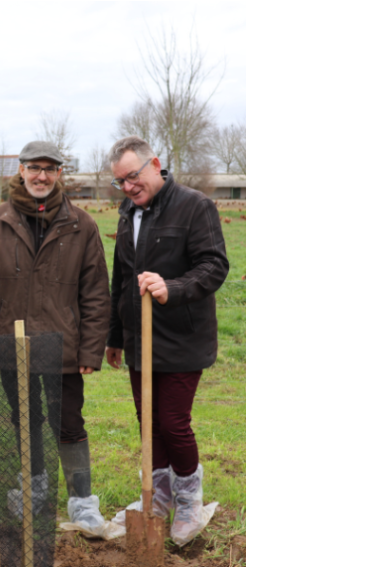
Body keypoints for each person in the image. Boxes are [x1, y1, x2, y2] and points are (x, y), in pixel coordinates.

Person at [0, 141, 119, 539]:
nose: (41, 176)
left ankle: (82, 502)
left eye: (50, 169)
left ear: (59, 175)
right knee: (26, 422)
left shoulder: (81, 224)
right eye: (34, 168)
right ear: (20, 170)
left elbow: (94, 292)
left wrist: (91, 347)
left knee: (68, 422)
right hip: (12, 343)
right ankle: (34, 488)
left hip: (64, 345)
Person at [105, 136, 230, 546]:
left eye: (132, 176)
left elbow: (214, 265)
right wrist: (115, 335)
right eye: (120, 182)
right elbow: (121, 280)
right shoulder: (128, 215)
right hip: (139, 340)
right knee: (148, 425)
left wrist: (171, 287)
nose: (127, 187)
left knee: (173, 423)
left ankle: (189, 499)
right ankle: (157, 499)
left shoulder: (195, 206)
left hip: (182, 338)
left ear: (154, 164)